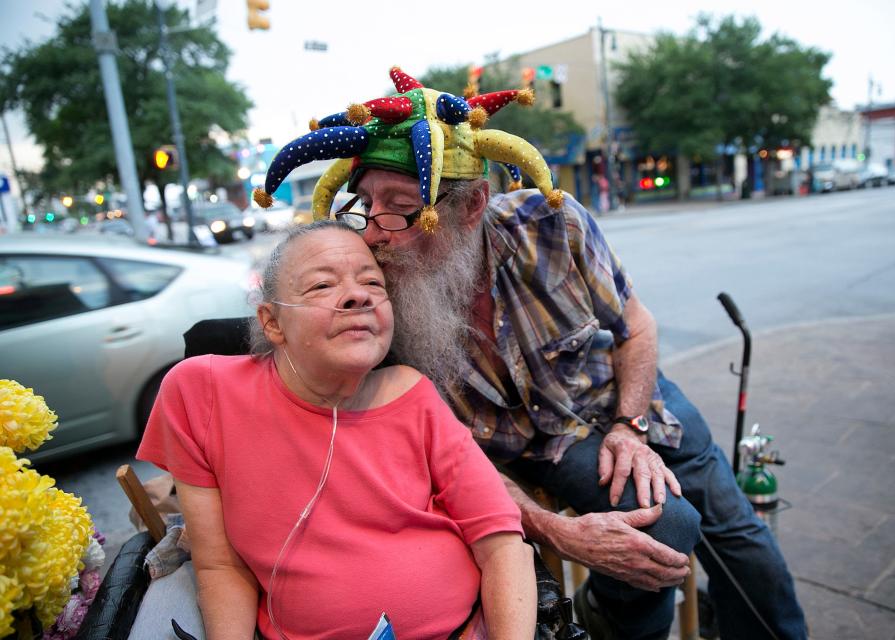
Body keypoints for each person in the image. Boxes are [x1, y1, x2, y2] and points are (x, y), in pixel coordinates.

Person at [254, 66, 806, 640]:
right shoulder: (378, 300)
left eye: (399, 208)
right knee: (664, 532)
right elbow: (448, 460)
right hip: (534, 449)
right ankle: (607, 619)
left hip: (629, 398)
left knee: (743, 544)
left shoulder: (552, 223)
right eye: (366, 204)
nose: (374, 232)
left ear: (471, 208)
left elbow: (635, 327)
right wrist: (551, 530)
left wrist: (630, 426)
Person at [136, 220, 536, 640]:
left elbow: (503, 545)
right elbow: (220, 565)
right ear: (272, 322)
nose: (358, 295)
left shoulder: (415, 396)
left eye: (372, 283)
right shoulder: (201, 392)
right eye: (322, 286)